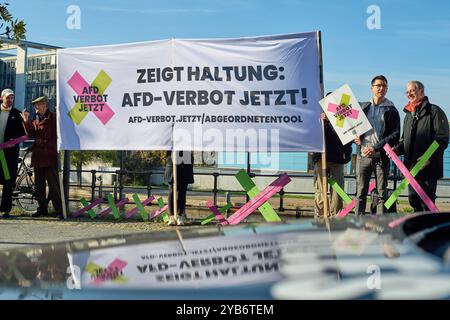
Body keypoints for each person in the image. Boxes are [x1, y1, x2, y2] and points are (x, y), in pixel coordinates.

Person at [394, 81, 449, 212]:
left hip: (428, 169)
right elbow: (405, 140)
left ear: (421, 91)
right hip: (411, 169)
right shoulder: (408, 115)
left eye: (412, 91)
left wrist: (428, 158)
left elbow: (442, 139)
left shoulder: (435, 112)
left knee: (427, 204)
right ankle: (418, 230)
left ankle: (429, 231)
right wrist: (397, 149)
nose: (409, 94)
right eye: (407, 92)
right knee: (414, 202)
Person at [354, 75, 400, 215]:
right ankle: (358, 225)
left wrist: (375, 147)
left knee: (381, 194)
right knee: (360, 193)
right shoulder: (363, 107)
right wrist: (354, 138)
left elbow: (395, 135)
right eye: (378, 85)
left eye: (384, 86)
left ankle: (380, 227)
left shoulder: (391, 110)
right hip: (363, 157)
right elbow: (351, 127)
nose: (381, 88)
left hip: (380, 157)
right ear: (371, 88)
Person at [20, 95, 63, 219]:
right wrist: (26, 121)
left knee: (54, 186)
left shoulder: (54, 117)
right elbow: (31, 134)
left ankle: (59, 210)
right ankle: (42, 209)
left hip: (50, 156)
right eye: (35, 105)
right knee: (39, 186)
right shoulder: (35, 119)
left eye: (38, 105)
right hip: (38, 157)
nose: (36, 107)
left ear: (45, 105)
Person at [313, 94, 353, 217]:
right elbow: (313, 136)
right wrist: (322, 123)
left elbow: (348, 138)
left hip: (337, 159)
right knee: (320, 190)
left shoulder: (344, 118)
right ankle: (320, 217)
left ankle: (336, 217)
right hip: (321, 159)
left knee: (337, 191)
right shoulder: (319, 117)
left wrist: (347, 154)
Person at [0, 89, 26, 218]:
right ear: (1, 98)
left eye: (12, 98)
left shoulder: (17, 114)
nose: (10, 100)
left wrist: (13, 142)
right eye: (8, 98)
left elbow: (23, 136)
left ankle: (5, 210)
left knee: (7, 182)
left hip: (7, 155)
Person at [164, 150, 194, 226]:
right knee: (172, 191)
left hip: (185, 165)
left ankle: (179, 216)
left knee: (182, 192)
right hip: (173, 164)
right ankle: (171, 216)